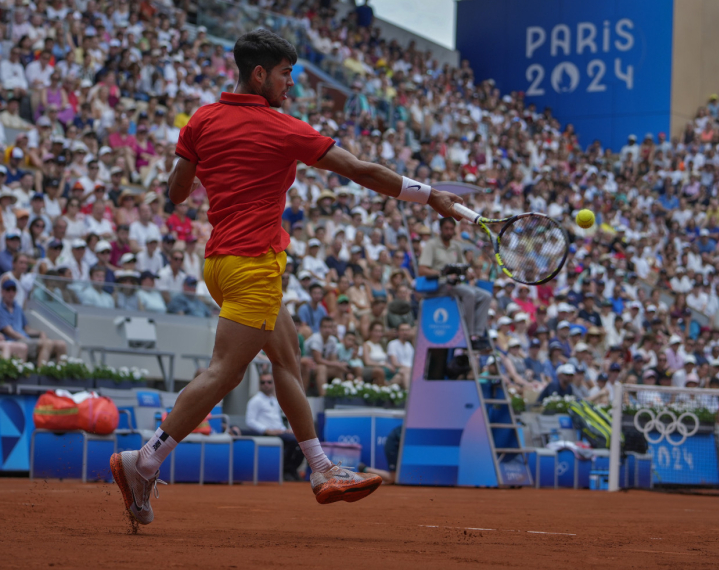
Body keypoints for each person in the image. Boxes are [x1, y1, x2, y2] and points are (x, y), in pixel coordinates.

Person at [112, 29, 463, 523]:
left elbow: (177, 193)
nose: (290, 84)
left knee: (287, 357)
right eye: (284, 74)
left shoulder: (202, 119)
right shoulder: (284, 128)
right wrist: (431, 196)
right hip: (253, 265)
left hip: (219, 265)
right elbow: (360, 170)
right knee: (225, 373)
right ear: (260, 74)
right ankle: (145, 460)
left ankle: (320, 468)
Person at [418, 217, 491, 349]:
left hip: (455, 283)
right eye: (446, 228)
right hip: (439, 285)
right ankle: (469, 334)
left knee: (486, 296)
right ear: (440, 229)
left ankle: (477, 334)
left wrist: (468, 272)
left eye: (452, 229)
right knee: (469, 293)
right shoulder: (432, 245)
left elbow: (463, 266)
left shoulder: (456, 246)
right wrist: (442, 273)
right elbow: (422, 270)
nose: (449, 231)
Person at [245, 370, 306, 482]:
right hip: (268, 434)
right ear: (259, 384)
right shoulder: (255, 400)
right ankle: (287, 470)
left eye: (269, 382)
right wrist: (266, 430)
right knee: (293, 441)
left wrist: (285, 430)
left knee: (303, 441)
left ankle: (290, 469)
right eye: (263, 382)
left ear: (273, 383)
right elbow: (250, 421)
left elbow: (277, 421)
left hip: (279, 432)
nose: (266, 385)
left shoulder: (274, 400)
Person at [0, 279, 67, 365]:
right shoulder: (0, 309)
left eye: (13, 290)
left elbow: (27, 329)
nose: (11, 293)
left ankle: (62, 373)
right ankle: (41, 373)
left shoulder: (18, 308)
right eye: (8, 290)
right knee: (48, 343)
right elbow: (9, 331)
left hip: (26, 339)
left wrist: (40, 333)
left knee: (61, 345)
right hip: (16, 341)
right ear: (2, 292)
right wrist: (25, 338)